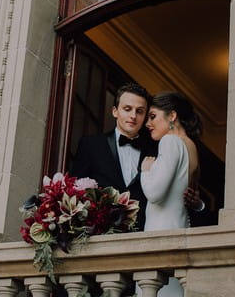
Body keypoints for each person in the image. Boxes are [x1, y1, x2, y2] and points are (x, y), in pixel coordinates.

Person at [69, 83, 204, 232]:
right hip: (99, 238)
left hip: (144, 237)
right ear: (115, 111)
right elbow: (74, 194)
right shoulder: (91, 145)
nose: (133, 116)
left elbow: (179, 195)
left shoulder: (157, 148)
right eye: (127, 109)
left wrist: (197, 204)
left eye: (140, 111)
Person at [139, 91, 203, 297]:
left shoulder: (170, 141)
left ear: (172, 116)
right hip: (180, 235)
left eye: (153, 116)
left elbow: (155, 193)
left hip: (159, 237)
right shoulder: (191, 147)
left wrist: (146, 170)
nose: (148, 123)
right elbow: (189, 197)